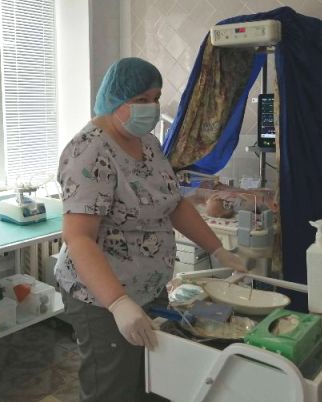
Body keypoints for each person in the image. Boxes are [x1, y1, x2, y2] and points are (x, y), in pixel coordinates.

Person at [54, 57, 246, 402]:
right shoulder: (89, 151)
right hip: (101, 297)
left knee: (151, 379)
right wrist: (118, 303)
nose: (152, 107)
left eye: (155, 97)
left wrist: (218, 249)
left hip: (147, 288)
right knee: (112, 388)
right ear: (115, 99)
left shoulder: (148, 144)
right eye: (141, 99)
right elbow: (78, 237)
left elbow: (174, 204)